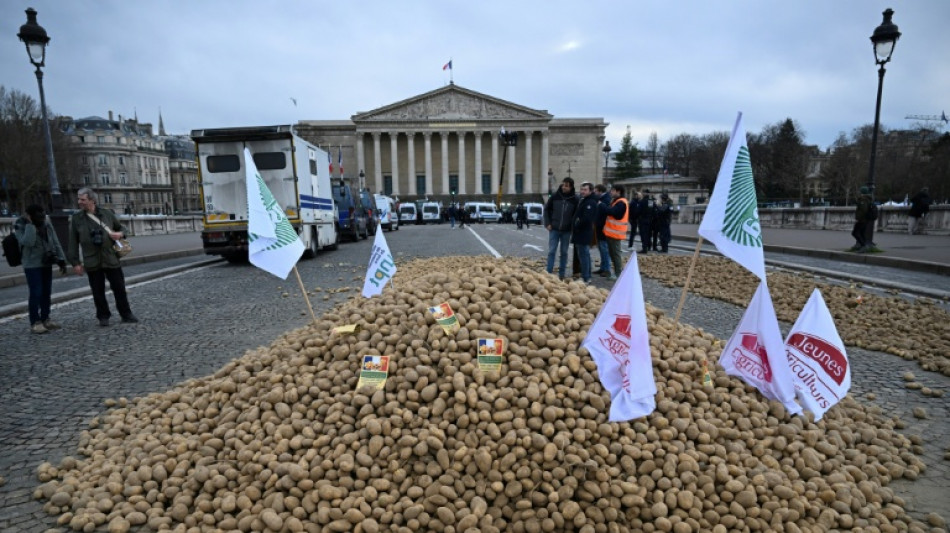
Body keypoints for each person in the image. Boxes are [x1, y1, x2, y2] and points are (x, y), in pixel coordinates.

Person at [67, 187, 139, 327]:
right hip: (92, 259)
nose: (79, 202)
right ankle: (103, 316)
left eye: (83, 199)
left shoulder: (106, 214)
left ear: (92, 200)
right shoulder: (77, 218)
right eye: (79, 199)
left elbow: (122, 228)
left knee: (119, 288)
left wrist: (120, 235)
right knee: (97, 291)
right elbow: (72, 242)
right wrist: (75, 262)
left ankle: (126, 313)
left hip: (110, 258)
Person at [13, 205, 67, 334]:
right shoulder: (20, 225)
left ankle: (45, 319)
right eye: (38, 214)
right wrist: (30, 225)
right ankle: (35, 322)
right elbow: (28, 242)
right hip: (31, 264)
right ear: (30, 216)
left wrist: (61, 259)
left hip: (46, 262)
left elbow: (55, 241)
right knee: (36, 293)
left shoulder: (46, 224)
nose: (42, 217)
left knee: (46, 293)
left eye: (43, 214)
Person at [544, 178, 578, 279]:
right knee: (551, 251)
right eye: (563, 185)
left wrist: (572, 227)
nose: (564, 187)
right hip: (554, 228)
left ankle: (561, 274)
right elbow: (547, 210)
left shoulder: (575, 199)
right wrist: (548, 223)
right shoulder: (555, 196)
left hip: (566, 230)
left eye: (566, 186)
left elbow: (576, 215)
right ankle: (548, 272)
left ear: (571, 187)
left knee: (564, 252)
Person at [572, 182, 598, 283]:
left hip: (583, 233)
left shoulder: (590, 202)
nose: (582, 191)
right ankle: (586, 275)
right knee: (584, 255)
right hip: (581, 232)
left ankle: (586, 277)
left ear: (590, 191)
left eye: (585, 190)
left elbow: (586, 219)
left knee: (583, 255)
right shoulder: (585, 200)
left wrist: (577, 225)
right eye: (582, 189)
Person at [602, 185, 629, 280]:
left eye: (613, 190)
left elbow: (616, 214)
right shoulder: (616, 201)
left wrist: (604, 207)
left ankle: (618, 273)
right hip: (611, 233)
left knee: (616, 254)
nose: (611, 192)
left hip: (616, 233)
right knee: (612, 253)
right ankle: (617, 272)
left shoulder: (621, 202)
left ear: (618, 192)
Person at [593, 184, 611, 276]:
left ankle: (607, 269)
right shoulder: (601, 199)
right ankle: (603, 267)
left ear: (600, 191)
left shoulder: (606, 199)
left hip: (604, 228)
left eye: (596, 191)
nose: (595, 193)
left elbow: (605, 212)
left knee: (604, 249)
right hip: (599, 227)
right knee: (601, 248)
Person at [850, 186, 873, 252]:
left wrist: (858, 218)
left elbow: (863, 210)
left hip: (862, 220)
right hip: (865, 219)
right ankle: (862, 246)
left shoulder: (863, 199)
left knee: (855, 233)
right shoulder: (868, 199)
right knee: (861, 233)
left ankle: (863, 246)